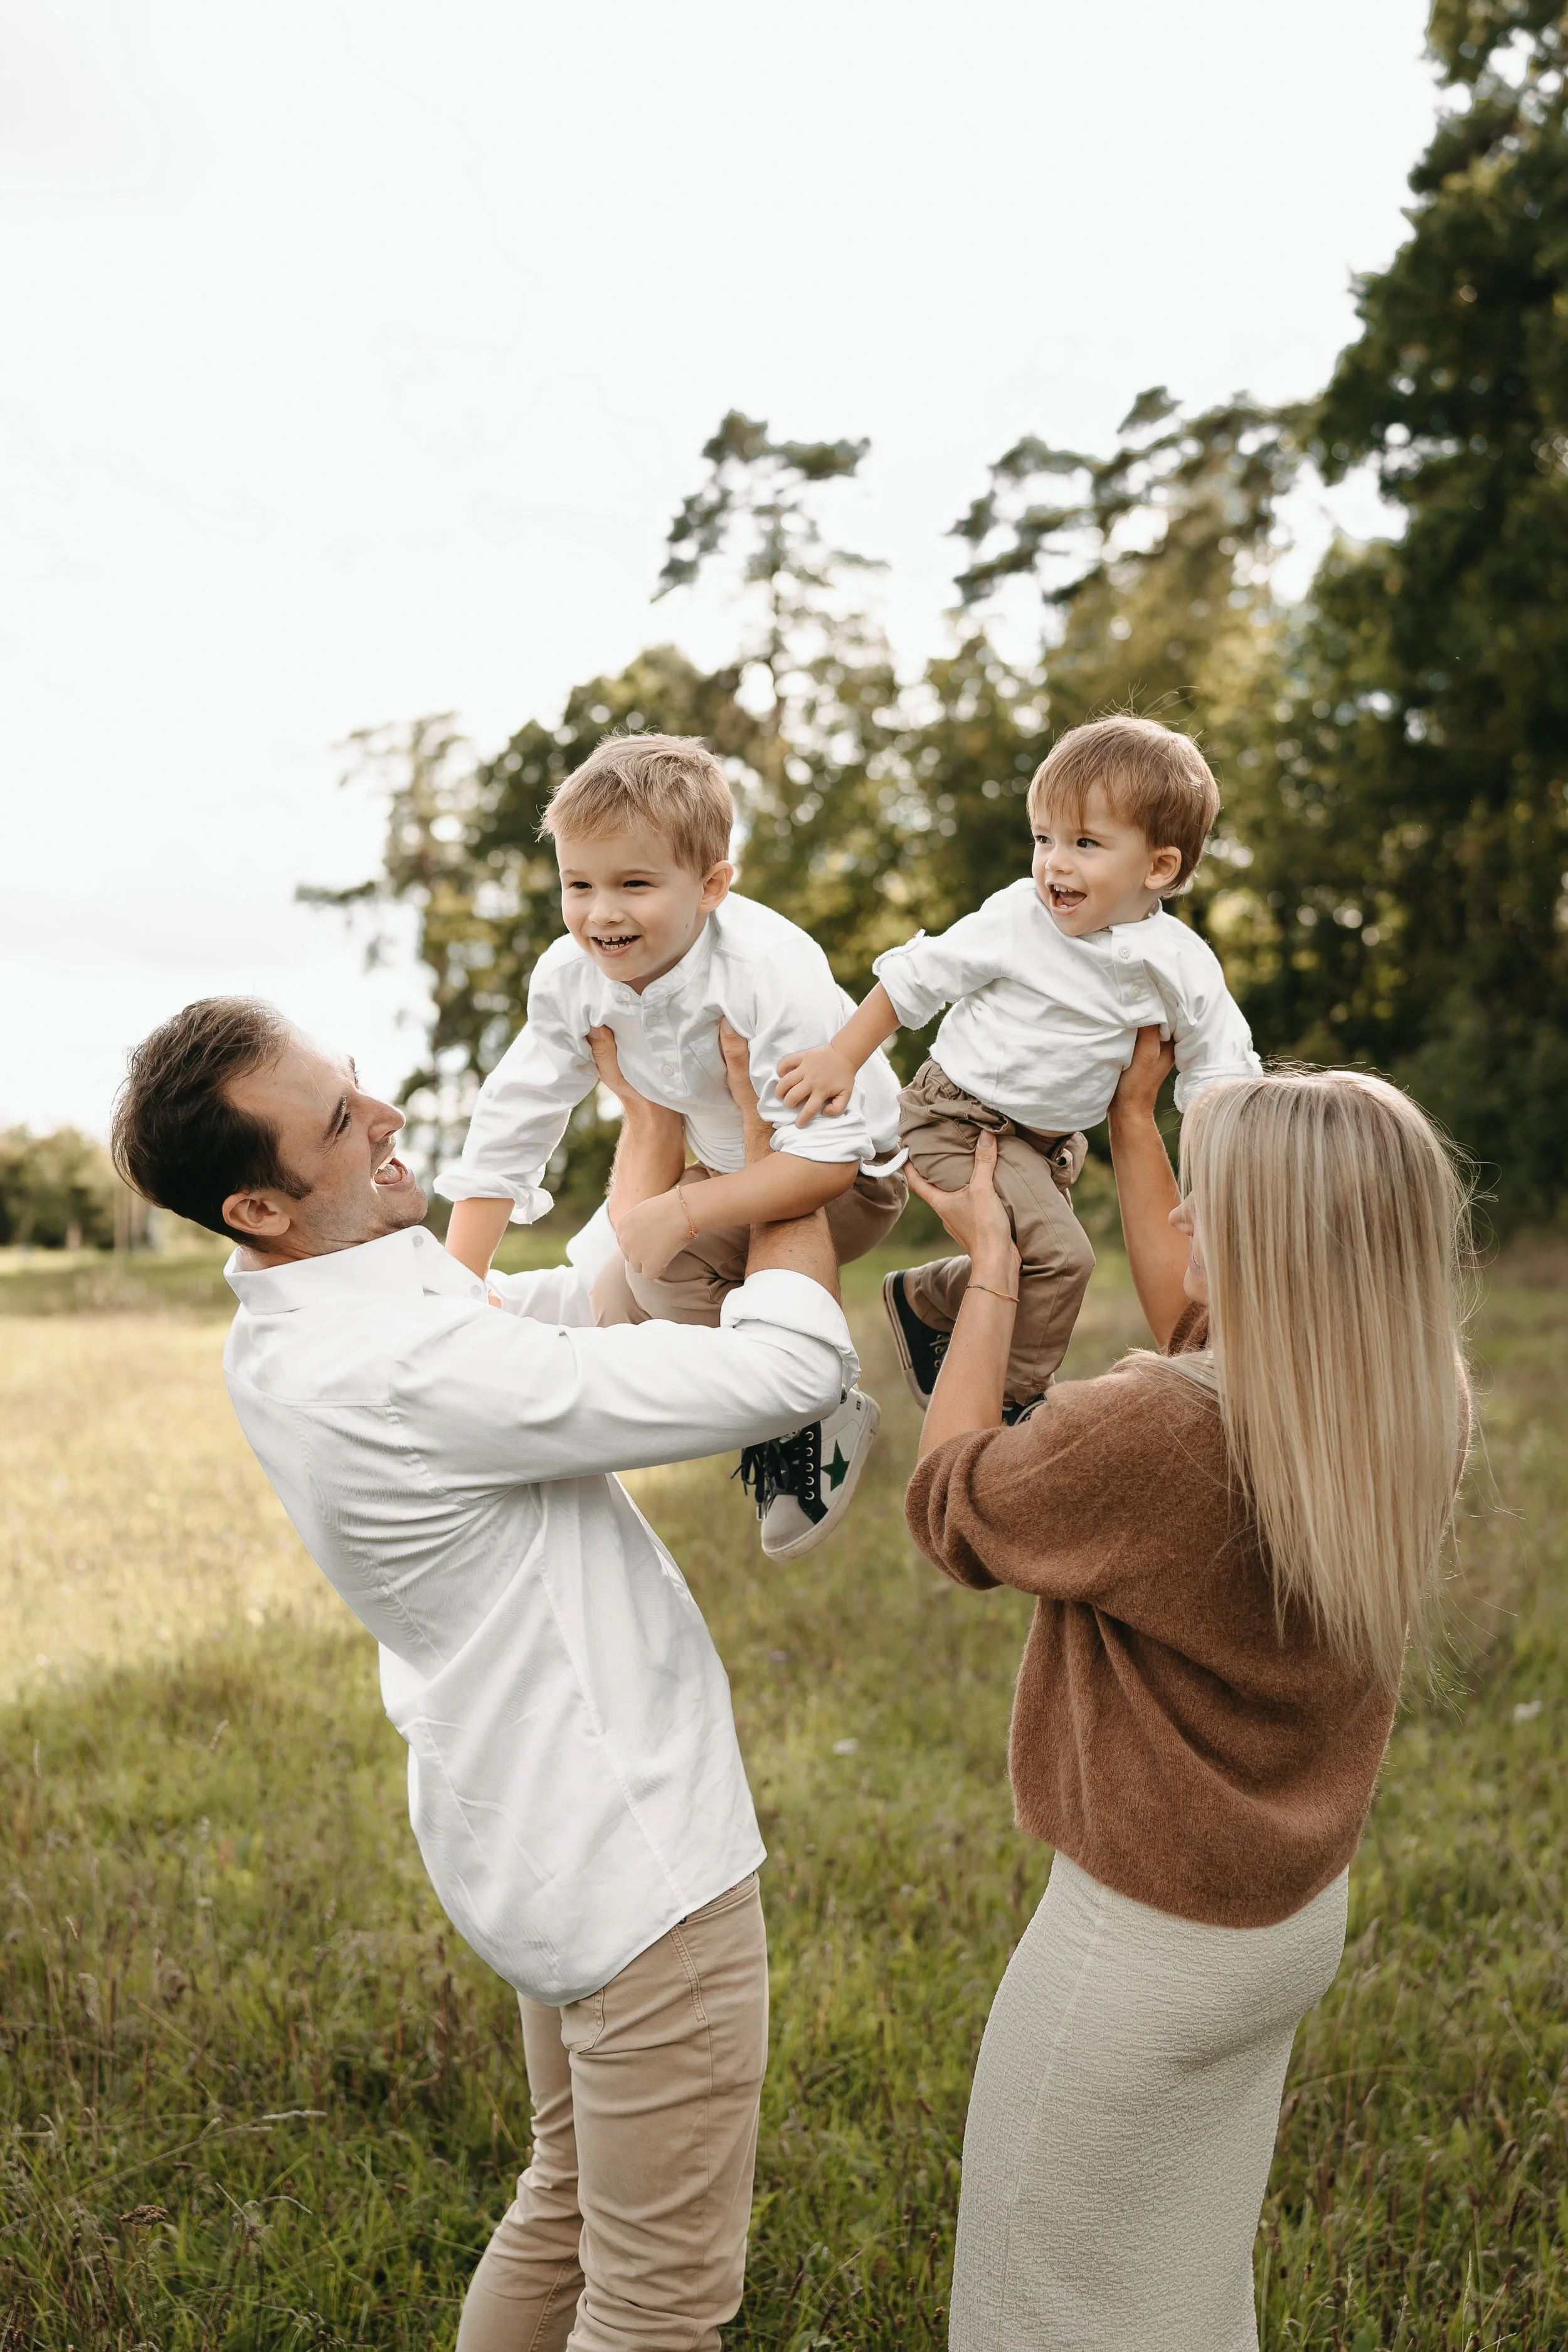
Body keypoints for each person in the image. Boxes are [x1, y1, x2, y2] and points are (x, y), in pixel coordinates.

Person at [110, 994, 861, 2352]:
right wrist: (783, 1156)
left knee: (567, 2205)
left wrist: (648, 1130)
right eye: (340, 1120)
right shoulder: (400, 1361)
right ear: (259, 1209)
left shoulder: (315, 1318)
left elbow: (572, 1304)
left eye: (354, 1082)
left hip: (543, 1839)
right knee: (656, 2308)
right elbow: (792, 1365)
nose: (388, 1113)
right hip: (637, 1867)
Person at [901, 1027, 1471, 2352]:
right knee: (1182, 2301)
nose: (1175, 1211)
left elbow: (948, 1508)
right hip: (1280, 1927)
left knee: (1027, 2315)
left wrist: (993, 1270)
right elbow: (1198, 1325)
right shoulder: (1402, 1399)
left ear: (1267, 1240)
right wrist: (1134, 1119)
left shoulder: (1153, 1429)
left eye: (1204, 1195)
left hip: (1136, 1950)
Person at [437, 731, 908, 1559]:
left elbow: (828, 1153)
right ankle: (525, 1428)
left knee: (662, 1262)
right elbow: (513, 1119)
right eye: (577, 884)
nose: (600, 912)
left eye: (635, 884)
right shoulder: (571, 976)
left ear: (712, 885)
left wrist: (689, 1206)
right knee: (615, 1311)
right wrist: (454, 1285)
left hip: (850, 1177)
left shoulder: (767, 969)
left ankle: (810, 1401)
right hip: (724, 1163)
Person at [776, 714, 1260, 1417]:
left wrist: (1226, 1181)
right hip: (956, 1117)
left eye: (1085, 843)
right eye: (1043, 839)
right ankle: (1013, 1406)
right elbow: (918, 979)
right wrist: (841, 1057)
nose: (1053, 864)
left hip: (1043, 1148)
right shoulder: (1017, 919)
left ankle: (925, 1299)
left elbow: (1219, 1075)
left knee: (1036, 1261)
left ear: (1158, 867)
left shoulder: (1182, 963)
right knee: (1064, 1259)